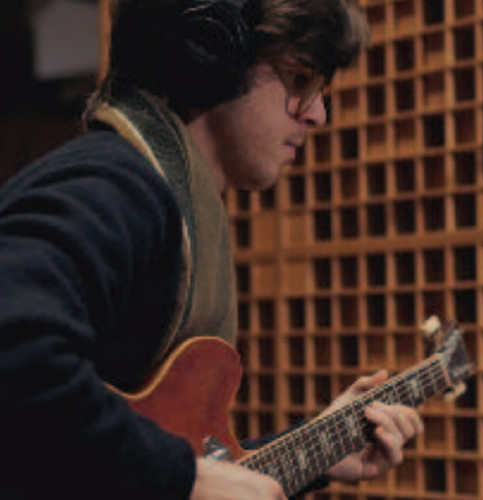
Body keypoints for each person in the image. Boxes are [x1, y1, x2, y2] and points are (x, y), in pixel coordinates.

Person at [0, 0, 424, 498]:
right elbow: (14, 349)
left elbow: (124, 464)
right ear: (209, 55)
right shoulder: (116, 183)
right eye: (299, 79)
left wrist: (316, 449)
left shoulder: (166, 195)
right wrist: (183, 478)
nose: (318, 114)